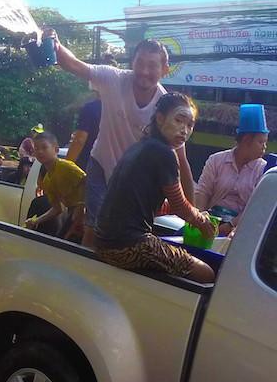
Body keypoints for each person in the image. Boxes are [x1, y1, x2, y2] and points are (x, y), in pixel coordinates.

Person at [45, 30, 194, 249]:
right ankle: (85, 266)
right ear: (132, 62)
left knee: (125, 237)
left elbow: (181, 161)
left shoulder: (166, 107)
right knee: (94, 228)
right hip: (101, 164)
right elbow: (75, 65)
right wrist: (55, 44)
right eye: (140, 63)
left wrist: (194, 213)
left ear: (165, 69)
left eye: (152, 66)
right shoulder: (114, 78)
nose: (144, 71)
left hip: (131, 181)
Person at [94, 93, 215, 284]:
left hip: (103, 241)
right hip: (128, 244)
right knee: (206, 274)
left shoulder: (140, 147)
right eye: (179, 120)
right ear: (160, 118)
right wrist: (202, 221)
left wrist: (189, 212)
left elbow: (142, 201)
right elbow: (180, 206)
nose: (184, 130)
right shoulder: (164, 153)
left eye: (190, 125)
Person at [193, 103, 268, 235]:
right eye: (260, 142)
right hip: (211, 221)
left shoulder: (263, 170)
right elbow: (203, 192)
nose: (264, 147)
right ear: (246, 140)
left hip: (242, 228)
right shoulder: (216, 160)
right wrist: (201, 219)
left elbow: (256, 208)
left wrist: (231, 225)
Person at [27, 132, 86, 241]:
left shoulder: (65, 166)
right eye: (36, 148)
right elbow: (57, 209)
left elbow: (88, 183)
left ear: (56, 149)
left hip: (85, 213)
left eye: (44, 147)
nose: (40, 151)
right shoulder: (47, 180)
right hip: (72, 212)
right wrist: (36, 221)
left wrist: (82, 207)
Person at [67, 97, 102, 170]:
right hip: (119, 166)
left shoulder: (91, 108)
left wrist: (65, 167)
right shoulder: (123, 108)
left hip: (89, 163)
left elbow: (79, 140)